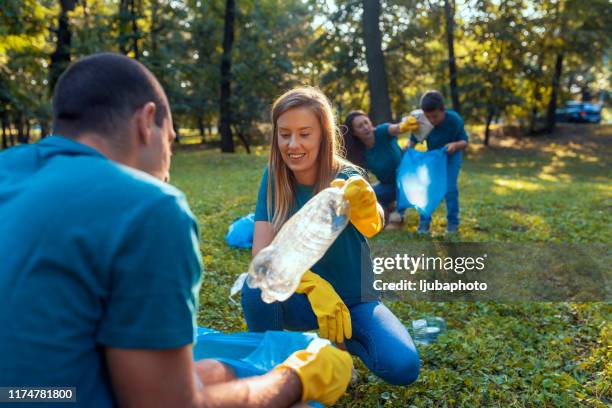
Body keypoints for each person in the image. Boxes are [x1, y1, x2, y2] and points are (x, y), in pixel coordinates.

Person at [0, 53, 352, 407]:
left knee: (215, 364)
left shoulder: (8, 171)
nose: (167, 172)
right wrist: (294, 381)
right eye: (169, 142)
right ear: (146, 121)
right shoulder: (149, 206)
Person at [241, 87, 420, 386]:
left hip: (353, 301)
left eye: (304, 133)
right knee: (255, 287)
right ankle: (272, 365)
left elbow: (373, 224)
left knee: (402, 366)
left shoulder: (347, 176)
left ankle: (338, 347)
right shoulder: (274, 175)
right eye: (284, 134)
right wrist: (311, 285)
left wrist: (367, 206)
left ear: (323, 134)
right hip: (301, 299)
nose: (293, 144)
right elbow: (261, 251)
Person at [408, 90, 468, 234]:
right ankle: (424, 224)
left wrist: (454, 145)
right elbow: (414, 140)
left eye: (435, 116)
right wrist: (408, 148)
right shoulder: (423, 122)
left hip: (451, 157)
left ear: (443, 110)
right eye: (428, 117)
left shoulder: (454, 120)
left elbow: (464, 142)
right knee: (428, 188)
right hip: (433, 158)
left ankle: (453, 224)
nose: (432, 120)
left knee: (450, 189)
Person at [342, 111, 419, 217]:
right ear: (354, 133)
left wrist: (405, 124)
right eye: (360, 126)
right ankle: (387, 210)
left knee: (401, 180)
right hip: (388, 186)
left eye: (366, 122)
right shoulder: (360, 153)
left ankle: (399, 214)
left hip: (407, 181)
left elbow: (397, 128)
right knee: (367, 194)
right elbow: (361, 180)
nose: (365, 127)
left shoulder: (382, 131)